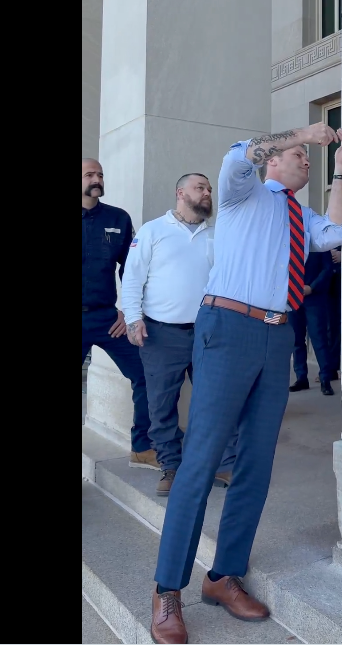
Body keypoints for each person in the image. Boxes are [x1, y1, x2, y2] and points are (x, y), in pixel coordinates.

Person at [148, 123, 342, 644]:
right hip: (228, 327)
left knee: (257, 463)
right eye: (299, 156)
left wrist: (339, 168)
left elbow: (336, 232)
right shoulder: (243, 190)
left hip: (275, 338)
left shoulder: (299, 214)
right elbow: (240, 151)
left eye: (308, 157)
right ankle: (167, 589)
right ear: (273, 162)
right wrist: (303, 131)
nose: (305, 160)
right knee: (201, 461)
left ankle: (223, 577)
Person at [119, 173, 239, 497]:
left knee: (216, 400)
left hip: (209, 333)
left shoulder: (216, 235)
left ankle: (226, 464)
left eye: (209, 189)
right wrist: (133, 320)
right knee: (161, 405)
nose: (207, 193)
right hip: (161, 335)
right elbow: (132, 279)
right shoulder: (153, 231)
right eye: (200, 188)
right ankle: (171, 467)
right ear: (180, 193)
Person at [81, 158, 158, 471]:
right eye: (89, 174)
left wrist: (129, 310)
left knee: (146, 374)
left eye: (99, 173)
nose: (97, 178)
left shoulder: (118, 218)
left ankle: (143, 447)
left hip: (106, 319)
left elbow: (133, 269)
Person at [289, 248, 337, 395]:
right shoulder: (288, 243)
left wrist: (312, 287)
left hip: (314, 298)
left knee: (319, 339)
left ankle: (325, 379)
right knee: (296, 341)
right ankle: (301, 378)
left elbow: (327, 268)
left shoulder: (319, 243)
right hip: (292, 298)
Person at [327, 247, 342, 377]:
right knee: (330, 326)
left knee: (338, 326)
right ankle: (331, 367)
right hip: (327, 282)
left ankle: (334, 367)